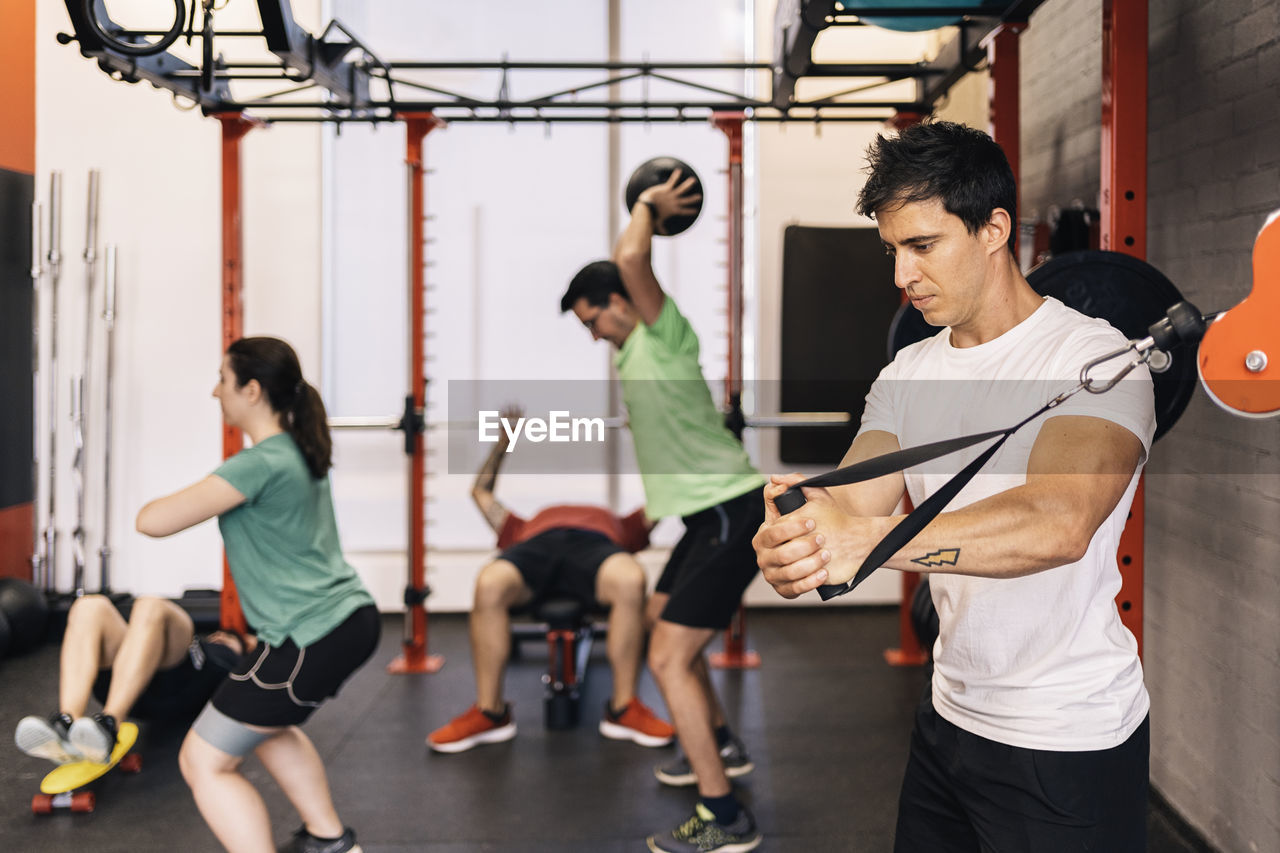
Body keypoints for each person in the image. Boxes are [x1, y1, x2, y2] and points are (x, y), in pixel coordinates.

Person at [753, 121, 1155, 853]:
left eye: (923, 245)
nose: (901, 275)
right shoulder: (907, 375)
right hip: (948, 720)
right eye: (892, 250)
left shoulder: (1096, 358)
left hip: (1065, 737)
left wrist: (866, 543)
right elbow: (854, 501)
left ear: (994, 228)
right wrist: (802, 534)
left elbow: (1058, 520)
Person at [561, 171, 765, 853]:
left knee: (667, 655)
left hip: (734, 510)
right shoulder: (630, 353)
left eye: (593, 320)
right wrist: (650, 512)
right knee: (661, 622)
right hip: (701, 515)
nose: (592, 336)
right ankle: (719, 742)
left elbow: (628, 258)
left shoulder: (661, 331)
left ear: (618, 303)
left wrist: (648, 204)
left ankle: (724, 814)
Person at [135, 336, 379, 853]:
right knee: (268, 725)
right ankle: (329, 841)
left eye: (222, 382)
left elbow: (151, 521)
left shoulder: (258, 464)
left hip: (310, 635)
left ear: (250, 390)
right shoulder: (297, 449)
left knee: (202, 760)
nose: (213, 393)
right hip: (344, 622)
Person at [426, 408, 674, 753]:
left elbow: (667, 493)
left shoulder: (618, 523)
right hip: (536, 547)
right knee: (489, 582)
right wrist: (503, 443)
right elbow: (481, 493)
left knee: (632, 578)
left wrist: (644, 439)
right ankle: (491, 712)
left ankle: (622, 708)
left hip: (596, 547)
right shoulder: (523, 526)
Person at [14, 594, 248, 764]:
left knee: (151, 606)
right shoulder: (199, 642)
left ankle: (109, 726)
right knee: (89, 606)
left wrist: (242, 642)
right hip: (128, 683)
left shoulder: (235, 657)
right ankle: (67, 722)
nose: (219, 636)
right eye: (219, 634)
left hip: (182, 685)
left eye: (226, 637)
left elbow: (272, 648)